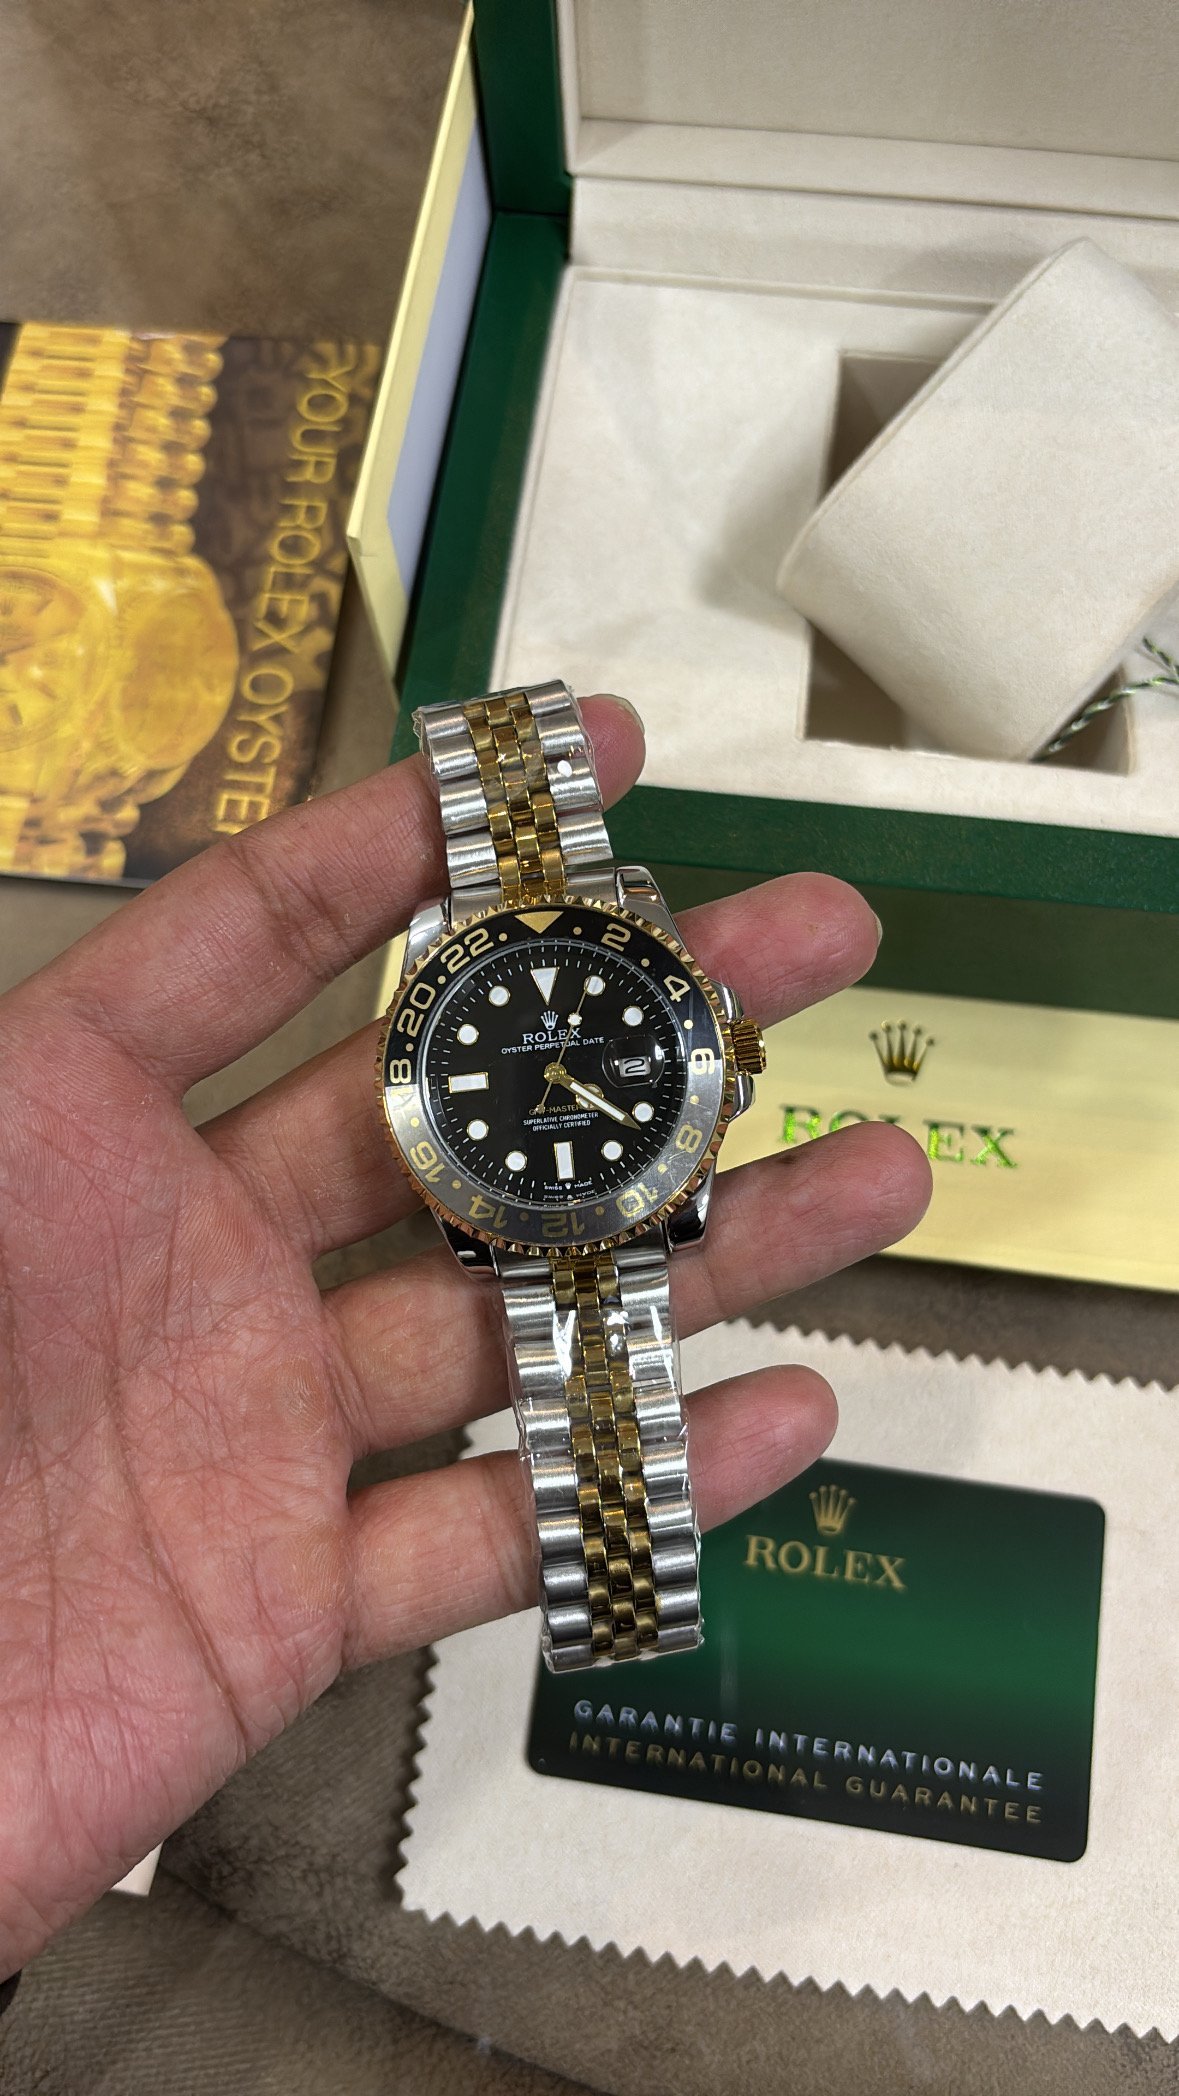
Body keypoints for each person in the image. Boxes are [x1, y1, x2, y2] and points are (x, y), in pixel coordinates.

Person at [0, 695, 929, 1982]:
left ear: (719, 1041)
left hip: (599, 1199)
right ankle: (620, 1588)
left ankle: (621, 1587)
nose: (558, 1076)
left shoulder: (600, 1001)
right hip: (548, 1210)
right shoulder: (461, 1033)